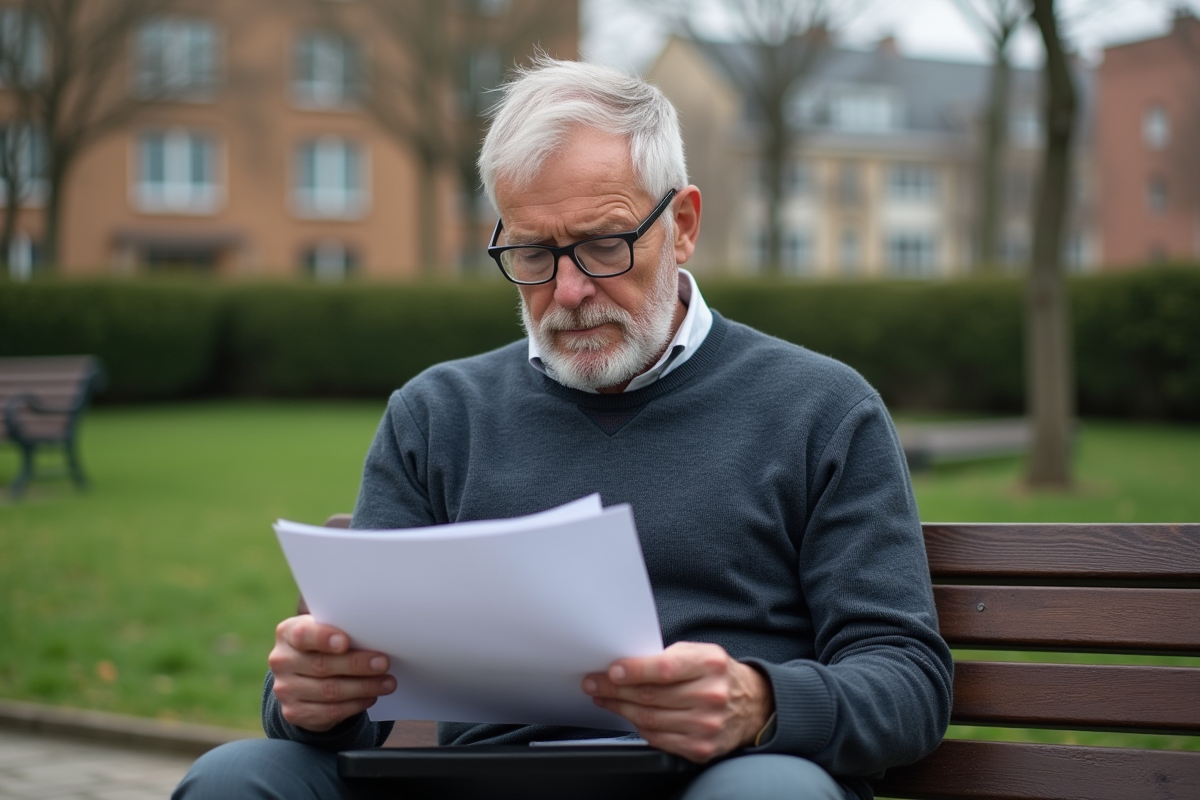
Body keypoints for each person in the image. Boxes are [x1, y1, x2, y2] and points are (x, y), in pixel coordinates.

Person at [175, 57, 952, 800]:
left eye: (602, 244)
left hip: (715, 777)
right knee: (235, 778)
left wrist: (762, 703)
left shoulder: (819, 409)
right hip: (478, 786)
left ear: (681, 224)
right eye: (533, 253)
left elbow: (907, 679)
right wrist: (310, 698)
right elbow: (352, 695)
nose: (570, 290)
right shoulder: (438, 414)